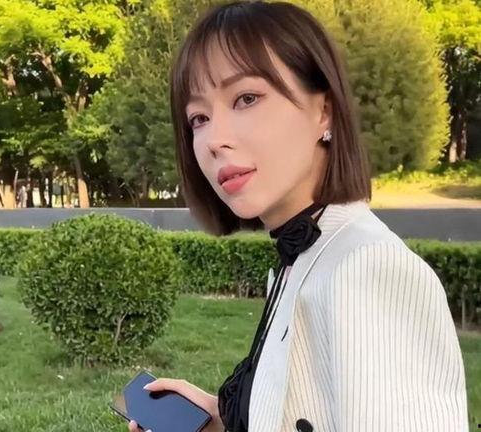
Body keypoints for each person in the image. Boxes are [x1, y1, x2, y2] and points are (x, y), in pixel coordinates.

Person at [129, 1, 469, 431]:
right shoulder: (302, 258)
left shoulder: (368, 267)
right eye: (199, 118)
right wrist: (221, 420)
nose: (215, 139)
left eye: (246, 98)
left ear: (323, 111)